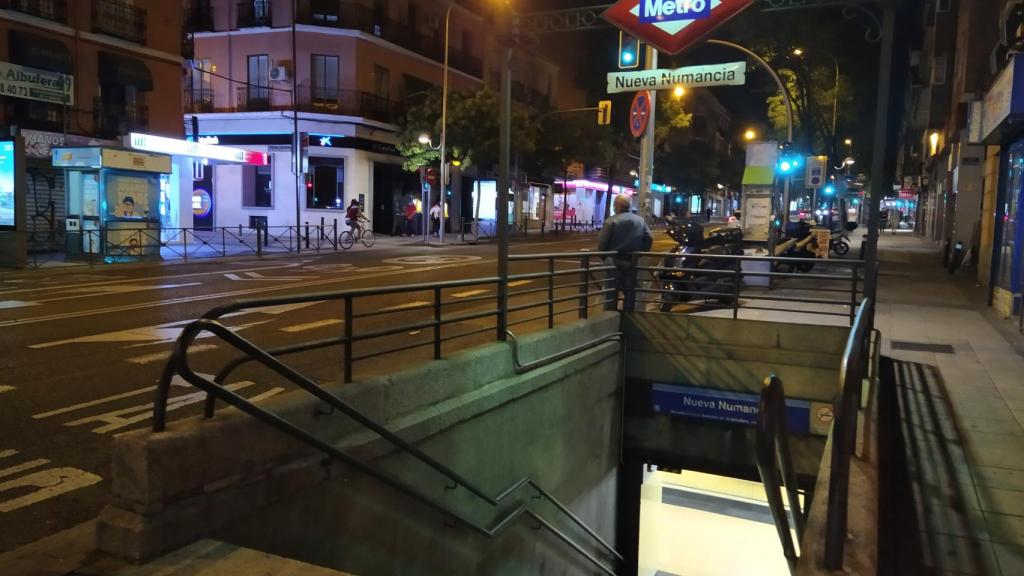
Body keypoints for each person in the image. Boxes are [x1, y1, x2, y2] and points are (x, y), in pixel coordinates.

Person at [598, 195, 653, 311]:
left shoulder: (611, 221)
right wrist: (640, 253)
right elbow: (649, 238)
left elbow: (602, 243)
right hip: (631, 260)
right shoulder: (639, 220)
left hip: (613, 261)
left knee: (611, 292)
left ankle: (610, 316)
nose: (613, 206)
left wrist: (605, 257)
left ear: (619, 205)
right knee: (630, 291)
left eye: (614, 204)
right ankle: (628, 316)